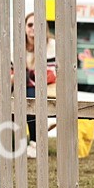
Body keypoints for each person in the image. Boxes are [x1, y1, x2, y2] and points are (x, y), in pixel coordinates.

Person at [23, 11, 57, 158]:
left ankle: (35, 142)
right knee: (28, 94)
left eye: (37, 25)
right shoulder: (18, 47)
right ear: (24, 27)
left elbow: (52, 74)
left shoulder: (53, 45)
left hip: (50, 89)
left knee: (30, 95)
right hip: (23, 89)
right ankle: (34, 142)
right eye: (30, 25)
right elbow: (11, 73)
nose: (33, 28)